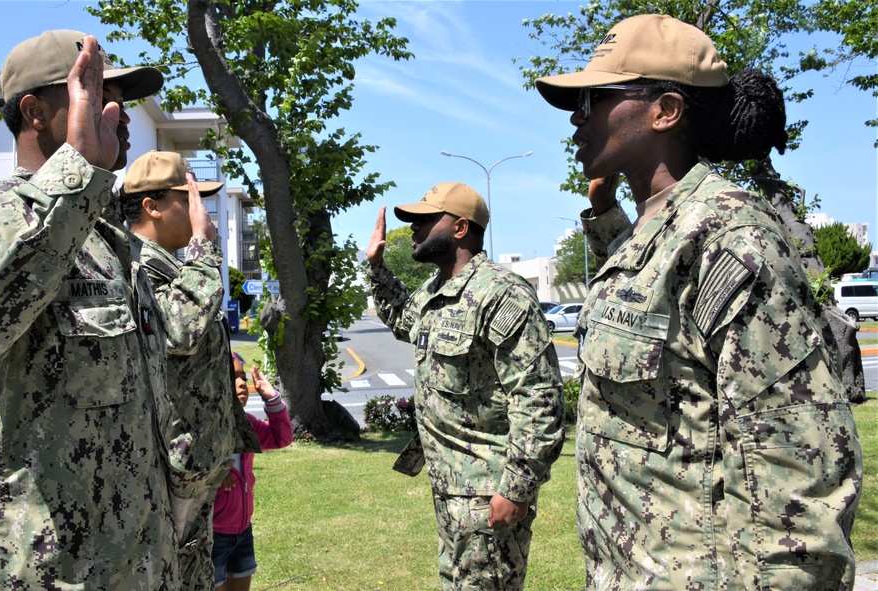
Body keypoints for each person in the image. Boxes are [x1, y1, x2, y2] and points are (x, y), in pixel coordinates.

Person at [533, 13, 863, 590]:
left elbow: (796, 491)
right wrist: (606, 212)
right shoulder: (654, 229)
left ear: (665, 110)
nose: (576, 120)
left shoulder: (733, 237)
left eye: (591, 99)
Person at [0, 30, 179, 589]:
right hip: (34, 568)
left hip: (138, 564)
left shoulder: (114, 244)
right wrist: (71, 179)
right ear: (36, 112)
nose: (120, 114)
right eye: (96, 93)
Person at [364, 183, 565, 591]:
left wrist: (516, 488)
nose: (414, 229)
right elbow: (404, 318)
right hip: (449, 486)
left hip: (488, 490)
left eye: (424, 219)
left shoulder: (502, 293)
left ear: (459, 228)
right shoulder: (434, 291)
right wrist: (377, 267)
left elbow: (539, 398)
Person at [119, 150, 261, 589]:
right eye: (191, 198)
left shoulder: (175, 267)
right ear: (152, 205)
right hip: (164, 470)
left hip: (195, 468)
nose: (203, 209)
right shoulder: (134, 267)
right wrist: (204, 250)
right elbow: (178, 333)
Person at [210, 352, 294, 591]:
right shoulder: (203, 427)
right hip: (213, 535)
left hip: (243, 531)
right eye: (233, 377)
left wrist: (272, 400)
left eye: (243, 377)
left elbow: (281, 438)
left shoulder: (245, 423)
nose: (241, 384)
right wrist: (212, 471)